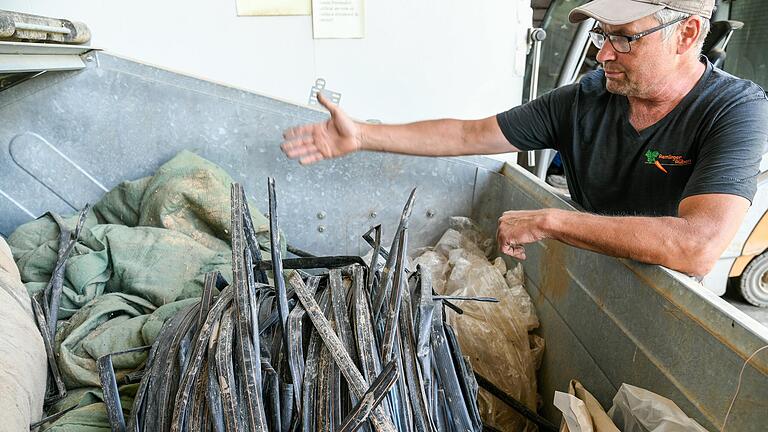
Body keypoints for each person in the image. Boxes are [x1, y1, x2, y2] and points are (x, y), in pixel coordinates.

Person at [281, 0, 768, 278]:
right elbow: (471, 133)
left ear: (686, 34)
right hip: (599, 266)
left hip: (678, 295)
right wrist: (363, 135)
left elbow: (697, 246)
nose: (603, 55)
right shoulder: (585, 100)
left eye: (623, 37)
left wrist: (553, 221)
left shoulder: (735, 110)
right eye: (601, 34)